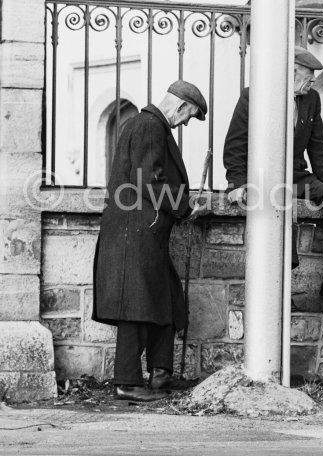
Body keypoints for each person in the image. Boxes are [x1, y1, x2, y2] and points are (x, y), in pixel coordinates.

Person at [93, 81, 208, 402]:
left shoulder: (147, 125)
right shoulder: (149, 126)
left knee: (166, 301)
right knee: (136, 306)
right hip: (136, 232)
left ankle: (160, 373)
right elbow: (148, 179)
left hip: (143, 231)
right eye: (190, 116)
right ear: (182, 106)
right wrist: (185, 206)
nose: (186, 123)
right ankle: (127, 383)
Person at [223, 46, 323, 306]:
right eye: (308, 76)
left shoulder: (310, 100)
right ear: (290, 71)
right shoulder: (252, 96)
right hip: (264, 177)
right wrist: (236, 183)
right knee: (278, 206)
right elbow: (235, 144)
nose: (312, 82)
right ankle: (279, 285)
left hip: (297, 176)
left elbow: (319, 149)